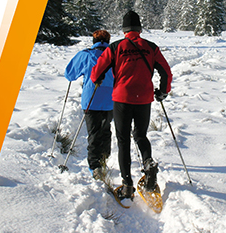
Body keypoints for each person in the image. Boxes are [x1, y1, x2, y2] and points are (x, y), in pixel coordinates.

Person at [91, 10, 172, 199]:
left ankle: (127, 185)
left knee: (123, 140)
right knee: (141, 135)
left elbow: (96, 72)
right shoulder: (151, 47)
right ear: (139, 28)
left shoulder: (116, 47)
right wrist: (162, 91)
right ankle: (148, 162)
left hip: (122, 98)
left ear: (124, 29)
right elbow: (166, 71)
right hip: (144, 98)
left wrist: (99, 77)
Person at [65, 30, 115, 181]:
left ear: (94, 41)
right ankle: (104, 159)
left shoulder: (85, 55)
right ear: (108, 41)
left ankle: (95, 166)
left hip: (90, 100)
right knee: (106, 130)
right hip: (110, 100)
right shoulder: (115, 55)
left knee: (94, 133)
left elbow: (70, 74)